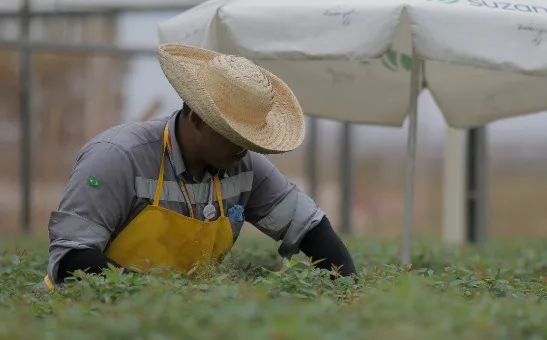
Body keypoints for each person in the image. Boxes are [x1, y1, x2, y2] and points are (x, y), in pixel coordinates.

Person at [42, 43, 356, 291]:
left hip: (178, 324)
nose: (243, 148)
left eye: (249, 138)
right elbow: (72, 258)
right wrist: (149, 295)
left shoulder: (244, 165)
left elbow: (310, 227)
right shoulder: (118, 157)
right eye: (233, 136)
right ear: (197, 120)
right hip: (91, 313)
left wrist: (348, 290)